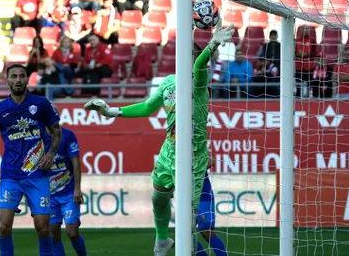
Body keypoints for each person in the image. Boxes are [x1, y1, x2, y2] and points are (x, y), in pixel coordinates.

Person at [83, 20, 235, 256]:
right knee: (158, 198)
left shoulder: (199, 82)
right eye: (185, 55)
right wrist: (112, 111)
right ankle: (162, 241)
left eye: (193, 55)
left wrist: (212, 45)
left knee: (192, 226)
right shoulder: (168, 83)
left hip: (193, 155)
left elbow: (199, 66)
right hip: (169, 150)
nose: (189, 60)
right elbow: (146, 108)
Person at [0, 64, 62, 256]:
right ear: (8, 81)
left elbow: (56, 131)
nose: (18, 80)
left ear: (27, 79)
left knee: (43, 228)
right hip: (10, 176)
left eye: (22, 76)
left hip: (38, 175)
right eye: (14, 77)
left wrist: (51, 154)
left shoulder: (41, 104)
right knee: (3, 227)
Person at [47, 106, 87, 256]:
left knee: (72, 232)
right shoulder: (38, 138)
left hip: (69, 193)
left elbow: (75, 161)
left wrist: (77, 188)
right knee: (53, 234)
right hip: (49, 195)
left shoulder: (68, 135)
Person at [195, 170, 228, 256]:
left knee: (206, 231)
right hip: (185, 199)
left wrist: (192, 167)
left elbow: (211, 160)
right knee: (183, 234)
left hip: (203, 196)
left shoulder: (195, 156)